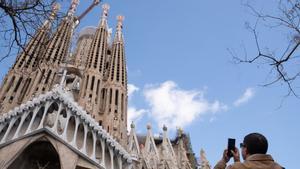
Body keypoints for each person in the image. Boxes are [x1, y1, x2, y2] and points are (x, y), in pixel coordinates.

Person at [214, 133, 283, 169]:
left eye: (241, 145)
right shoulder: (279, 167)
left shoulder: (234, 167)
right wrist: (237, 163)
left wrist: (223, 161)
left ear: (246, 149)